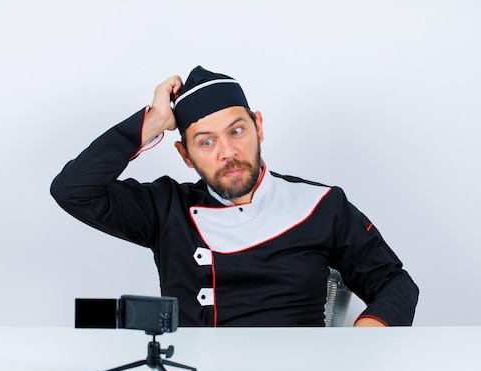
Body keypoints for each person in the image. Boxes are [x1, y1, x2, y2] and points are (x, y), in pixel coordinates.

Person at [50, 66, 419, 327]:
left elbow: (394, 282)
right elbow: (73, 190)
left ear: (258, 127)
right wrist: (150, 123)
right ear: (186, 156)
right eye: (206, 141)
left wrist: (369, 332)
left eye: (237, 131)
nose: (227, 152)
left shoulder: (322, 204)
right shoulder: (165, 208)